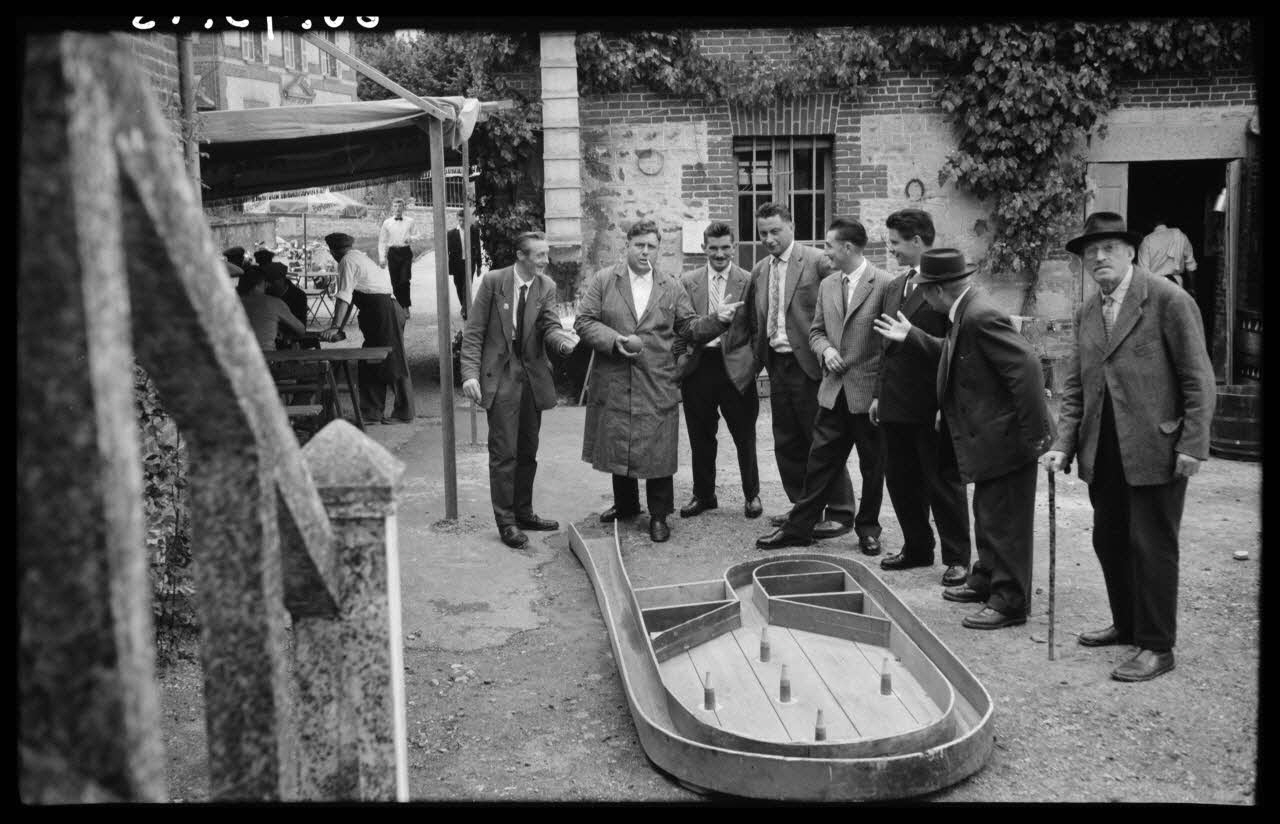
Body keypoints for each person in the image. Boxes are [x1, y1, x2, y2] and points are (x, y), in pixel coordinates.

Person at [1042, 212, 1216, 682]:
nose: (1099, 257)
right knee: (1110, 539)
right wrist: (1063, 443)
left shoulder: (1168, 300)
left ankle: (1158, 646)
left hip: (1157, 448)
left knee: (1152, 546)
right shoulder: (1086, 312)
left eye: (1109, 248)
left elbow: (1198, 378)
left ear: (1131, 252)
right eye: (1090, 252)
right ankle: (1126, 624)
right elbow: (1075, 386)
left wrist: (1193, 445)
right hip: (1104, 450)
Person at [874, 249, 1055, 630]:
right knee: (988, 513)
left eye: (925, 290)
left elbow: (1027, 368)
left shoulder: (979, 315)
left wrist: (1035, 434)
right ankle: (987, 579)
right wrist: (915, 336)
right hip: (990, 436)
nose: (922, 296)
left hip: (1008, 438)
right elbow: (955, 356)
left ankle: (1010, 601)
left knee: (1006, 520)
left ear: (938, 290)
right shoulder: (965, 312)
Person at [575, 219, 742, 543]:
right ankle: (626, 505)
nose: (645, 252)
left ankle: (659, 515)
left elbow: (690, 327)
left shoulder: (670, 285)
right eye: (640, 245)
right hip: (615, 375)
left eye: (652, 246)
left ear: (658, 249)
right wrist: (613, 339)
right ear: (628, 246)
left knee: (657, 448)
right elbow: (584, 320)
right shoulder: (605, 280)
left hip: (656, 379)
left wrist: (718, 320)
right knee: (620, 439)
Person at [756, 218, 889, 552]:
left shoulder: (885, 284)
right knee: (819, 460)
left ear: (847, 248)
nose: (824, 251)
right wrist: (826, 349)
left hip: (866, 395)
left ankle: (868, 530)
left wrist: (880, 395)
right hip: (832, 391)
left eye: (829, 245)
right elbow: (815, 331)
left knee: (873, 466)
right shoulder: (830, 285)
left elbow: (891, 348)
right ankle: (799, 528)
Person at [746, 202, 859, 544]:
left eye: (775, 231)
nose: (768, 239)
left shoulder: (817, 260)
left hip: (811, 366)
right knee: (787, 442)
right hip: (777, 365)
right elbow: (755, 317)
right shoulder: (761, 269)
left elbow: (850, 297)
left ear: (791, 226)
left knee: (821, 442)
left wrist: (834, 348)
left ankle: (839, 511)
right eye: (763, 233)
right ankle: (803, 511)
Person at [873, 210, 972, 588]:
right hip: (896, 403)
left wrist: (946, 405)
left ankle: (958, 557)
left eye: (896, 242)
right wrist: (880, 395)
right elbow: (887, 346)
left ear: (917, 241)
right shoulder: (895, 286)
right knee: (900, 480)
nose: (891, 249)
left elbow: (959, 349)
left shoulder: (948, 286)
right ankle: (917, 546)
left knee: (942, 483)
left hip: (932, 404)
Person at [461, 231, 578, 549]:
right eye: (540, 255)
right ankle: (506, 521)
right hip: (501, 374)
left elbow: (550, 326)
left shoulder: (546, 286)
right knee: (504, 453)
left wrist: (563, 344)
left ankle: (524, 512)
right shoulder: (494, 282)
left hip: (531, 374)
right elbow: (474, 332)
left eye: (546, 254)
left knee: (528, 449)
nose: (546, 260)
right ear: (521, 256)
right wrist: (470, 374)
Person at [675, 222, 763, 521]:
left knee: (744, 435)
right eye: (713, 248)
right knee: (700, 436)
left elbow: (757, 328)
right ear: (704, 249)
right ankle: (703, 495)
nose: (720, 253)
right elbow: (682, 326)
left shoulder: (748, 280)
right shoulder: (688, 281)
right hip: (699, 366)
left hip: (736, 369)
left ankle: (752, 495)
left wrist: (752, 365)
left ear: (734, 247)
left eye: (725, 247)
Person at [319, 232, 415, 424]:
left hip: (383, 310)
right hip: (381, 310)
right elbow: (350, 298)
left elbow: (343, 297)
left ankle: (404, 412)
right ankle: (371, 411)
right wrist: (338, 327)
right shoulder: (357, 257)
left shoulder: (347, 261)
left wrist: (336, 326)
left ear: (332, 251)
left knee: (393, 360)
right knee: (370, 361)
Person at [236, 267, 305, 351]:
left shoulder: (228, 303)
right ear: (259, 284)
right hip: (266, 358)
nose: (267, 285)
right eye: (265, 282)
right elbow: (301, 330)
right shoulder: (273, 303)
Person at [1136, 215, 1197, 289]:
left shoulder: (1147, 240)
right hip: (1177, 285)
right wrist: (1192, 289)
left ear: (1149, 223)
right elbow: (1191, 266)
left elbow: (1143, 273)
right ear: (1166, 220)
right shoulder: (1181, 236)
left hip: (1155, 286)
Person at [378, 197, 418, 312]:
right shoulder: (387, 223)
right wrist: (382, 258)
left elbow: (417, 235)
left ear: (403, 208)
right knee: (395, 282)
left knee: (404, 280)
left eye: (400, 206)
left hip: (405, 252)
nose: (397, 209)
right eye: (395, 206)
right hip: (393, 253)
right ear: (392, 208)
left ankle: (405, 307)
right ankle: (400, 306)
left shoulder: (410, 221)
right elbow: (382, 241)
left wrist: (410, 238)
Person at [448, 222, 483, 321]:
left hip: (469, 263)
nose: (462, 221)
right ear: (457, 218)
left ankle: (465, 309)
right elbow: (447, 251)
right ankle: (464, 306)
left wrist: (479, 265)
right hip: (457, 264)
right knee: (458, 285)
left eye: (464, 218)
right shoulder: (451, 233)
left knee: (467, 286)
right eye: (460, 218)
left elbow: (478, 248)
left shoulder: (473, 232)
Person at [260, 261, 309, 329]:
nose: (268, 284)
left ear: (282, 279)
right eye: (266, 281)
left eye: (272, 281)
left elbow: (301, 326)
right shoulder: (265, 293)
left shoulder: (299, 296)